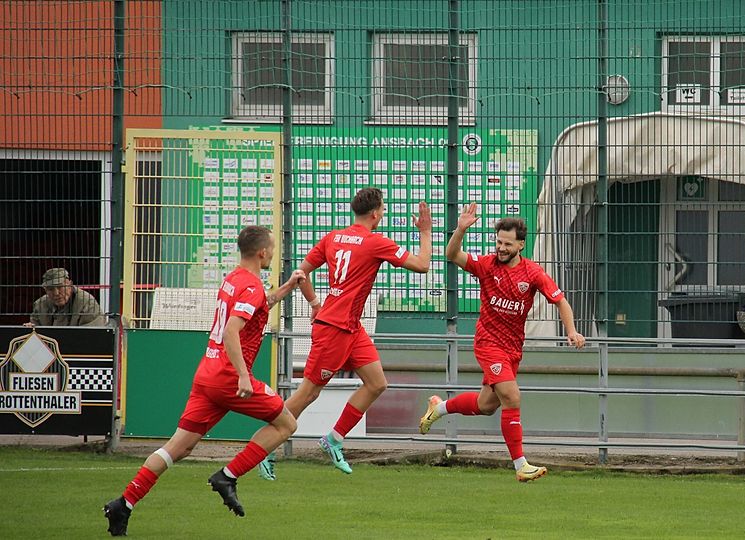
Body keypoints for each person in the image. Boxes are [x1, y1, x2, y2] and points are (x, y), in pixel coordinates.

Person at [103, 226, 305, 536]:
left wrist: (288, 286)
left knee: (178, 448)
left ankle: (124, 503)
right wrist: (243, 375)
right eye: (273, 248)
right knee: (286, 425)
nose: (274, 253)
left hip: (207, 374)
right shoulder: (251, 285)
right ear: (262, 252)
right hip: (227, 377)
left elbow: (259, 306)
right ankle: (228, 476)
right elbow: (232, 331)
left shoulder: (234, 279)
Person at [418, 204, 585, 482]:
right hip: (488, 343)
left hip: (512, 349)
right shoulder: (486, 266)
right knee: (512, 396)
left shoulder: (533, 273)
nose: (501, 248)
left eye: (507, 244)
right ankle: (521, 465)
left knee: (486, 405)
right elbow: (452, 254)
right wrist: (460, 229)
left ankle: (440, 407)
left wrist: (572, 331)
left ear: (521, 245)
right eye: (498, 242)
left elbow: (560, 301)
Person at [277, 187, 432, 475]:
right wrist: (425, 231)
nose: (383, 213)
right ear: (375, 214)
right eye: (383, 208)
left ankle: (333, 439)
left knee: (376, 383)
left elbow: (301, 273)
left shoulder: (333, 237)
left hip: (350, 326)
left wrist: (314, 303)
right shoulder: (375, 242)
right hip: (334, 329)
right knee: (308, 393)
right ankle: (265, 446)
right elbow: (422, 265)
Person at [26, 268, 106, 326]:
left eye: (60, 287)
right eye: (50, 289)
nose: (56, 293)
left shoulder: (87, 303)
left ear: (70, 284)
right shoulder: (40, 305)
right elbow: (35, 330)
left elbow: (92, 336)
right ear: (45, 290)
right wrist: (31, 330)